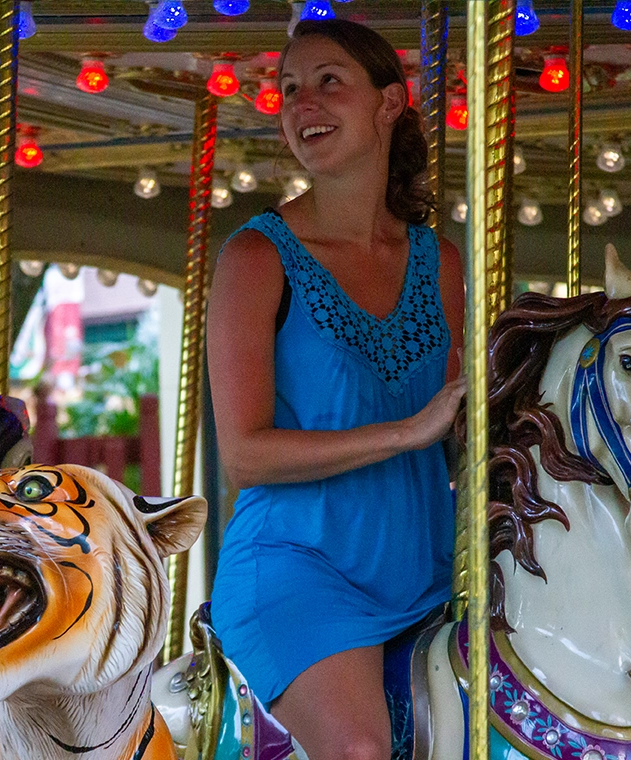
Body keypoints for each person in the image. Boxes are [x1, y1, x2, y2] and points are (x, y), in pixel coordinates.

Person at [206, 19, 466, 760]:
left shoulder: (437, 260)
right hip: (300, 569)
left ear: (390, 103)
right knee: (360, 750)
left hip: (426, 570)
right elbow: (246, 457)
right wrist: (406, 431)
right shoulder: (258, 258)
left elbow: (457, 431)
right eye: (288, 89)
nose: (302, 103)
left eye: (328, 82)